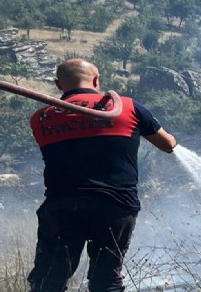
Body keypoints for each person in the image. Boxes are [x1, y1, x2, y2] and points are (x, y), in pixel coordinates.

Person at [27, 59, 177, 292]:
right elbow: (168, 144)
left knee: (49, 281)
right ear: (96, 80)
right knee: (106, 281)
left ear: (58, 84)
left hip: (62, 208)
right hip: (115, 207)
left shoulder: (41, 117)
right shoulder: (128, 107)